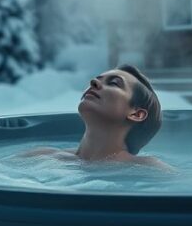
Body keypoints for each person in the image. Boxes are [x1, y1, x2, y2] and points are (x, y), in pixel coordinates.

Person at [20, 64, 173, 171]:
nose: (93, 82)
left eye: (113, 83)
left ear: (136, 114)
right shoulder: (41, 156)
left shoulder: (149, 169)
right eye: (97, 79)